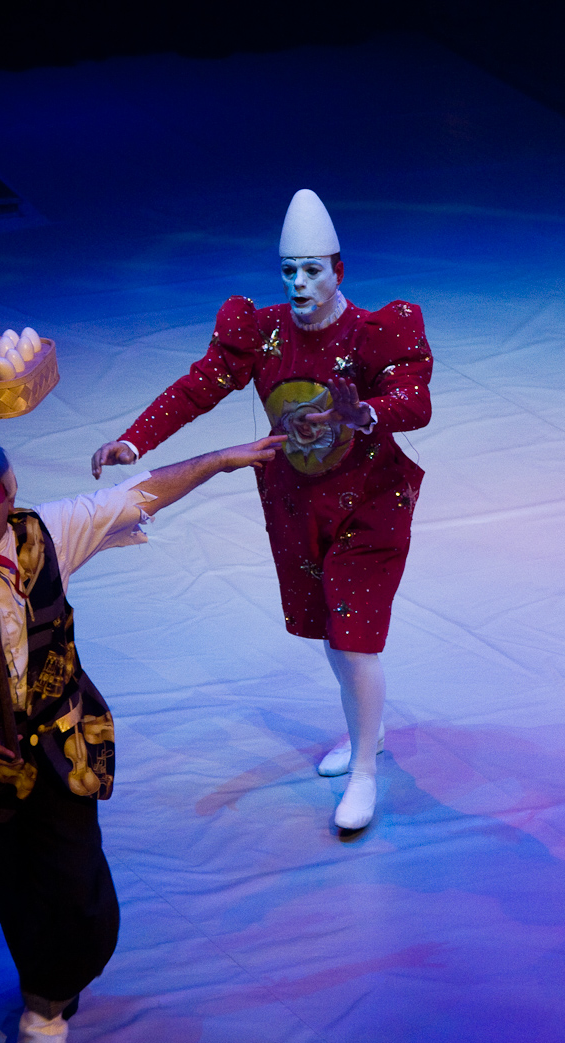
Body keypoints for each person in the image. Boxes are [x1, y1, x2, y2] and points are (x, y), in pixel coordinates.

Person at [0, 431, 283, 1043]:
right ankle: (46, 983)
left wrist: (218, 460)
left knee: (83, 905)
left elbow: (139, 494)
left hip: (60, 752)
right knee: (11, 893)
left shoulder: (48, 533)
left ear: (10, 491)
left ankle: (43, 1011)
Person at [92, 189, 433, 832]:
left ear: (339, 271)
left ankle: (364, 769)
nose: (299, 282)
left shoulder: (372, 333)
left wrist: (364, 411)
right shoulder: (264, 332)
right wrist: (135, 441)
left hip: (370, 503)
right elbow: (197, 388)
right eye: (289, 270)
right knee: (333, 631)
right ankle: (369, 727)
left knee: (353, 634)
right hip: (298, 503)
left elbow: (415, 402)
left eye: (312, 270)